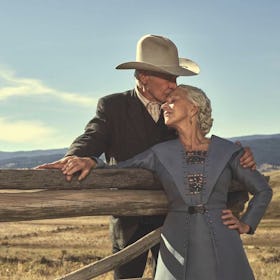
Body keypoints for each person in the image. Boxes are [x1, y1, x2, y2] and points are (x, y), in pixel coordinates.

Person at [36, 34, 256, 279]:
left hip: (175, 220)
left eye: (176, 77)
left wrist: (236, 153)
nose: (174, 84)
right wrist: (80, 155)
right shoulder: (113, 106)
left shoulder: (176, 107)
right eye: (168, 77)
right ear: (143, 77)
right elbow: (93, 135)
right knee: (127, 276)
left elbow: (199, 142)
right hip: (129, 218)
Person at [93, 85, 272, 280]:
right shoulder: (159, 153)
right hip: (176, 240)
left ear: (193, 108)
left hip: (223, 239)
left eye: (173, 100)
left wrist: (247, 223)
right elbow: (115, 170)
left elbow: (263, 190)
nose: (163, 106)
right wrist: (88, 161)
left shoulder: (228, 151)